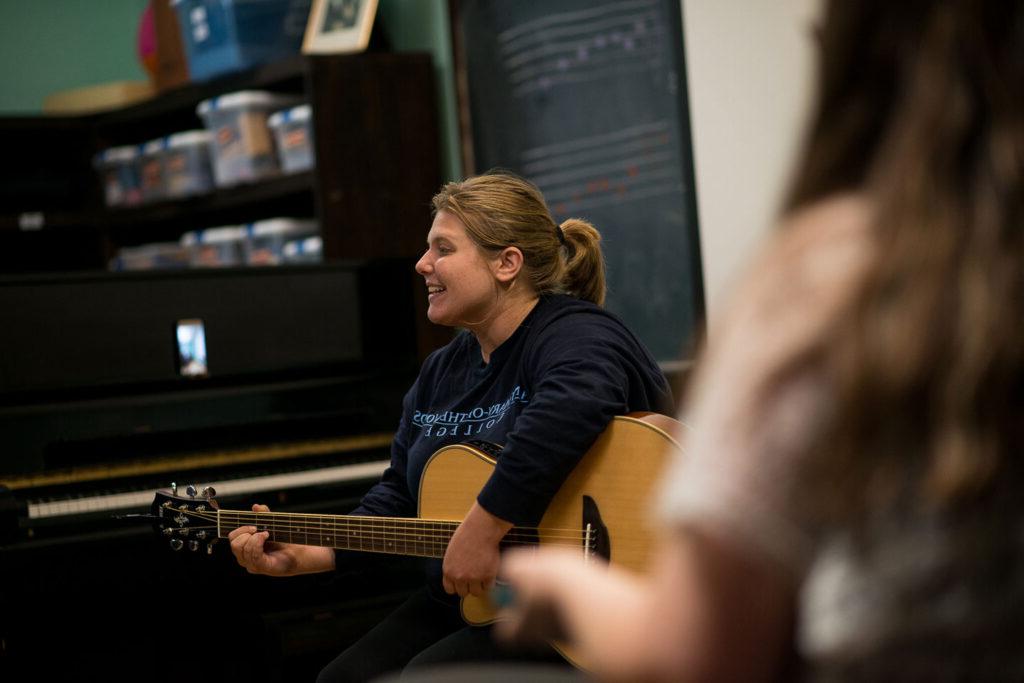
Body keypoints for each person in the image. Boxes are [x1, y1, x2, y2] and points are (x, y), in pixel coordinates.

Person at [497, 1, 1024, 680]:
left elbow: (699, 654)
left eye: (442, 247)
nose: (424, 264)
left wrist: (560, 585)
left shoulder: (826, 278)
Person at [227, 172, 674, 682]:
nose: (422, 265)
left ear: (507, 264)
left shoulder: (576, 333)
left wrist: (484, 527)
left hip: (593, 595)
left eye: (443, 249)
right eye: (426, 248)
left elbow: (573, 405)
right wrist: (313, 553)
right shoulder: (442, 370)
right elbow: (400, 494)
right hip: (477, 598)